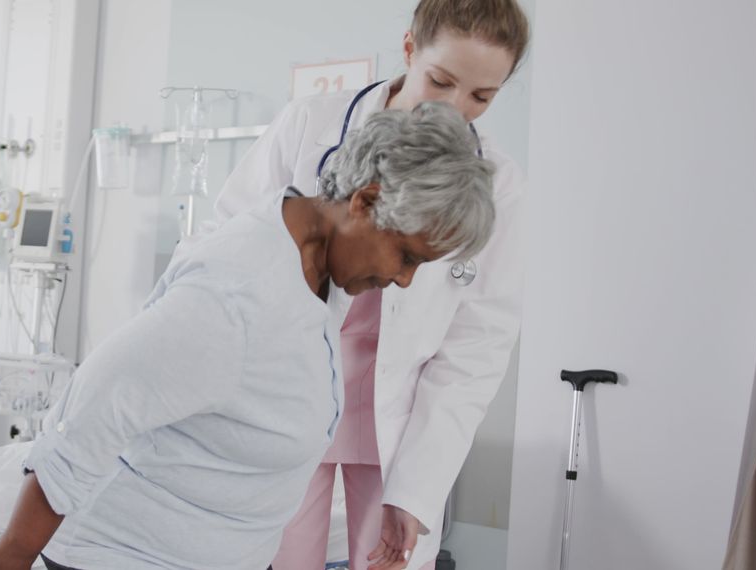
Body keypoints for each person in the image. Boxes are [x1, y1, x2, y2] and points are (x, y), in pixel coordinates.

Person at [0, 104, 495, 570]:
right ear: (365, 201)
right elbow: (99, 398)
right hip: (132, 552)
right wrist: (11, 554)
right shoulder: (237, 296)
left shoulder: (314, 268)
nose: (404, 280)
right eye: (407, 257)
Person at [212, 1, 530, 569]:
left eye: (482, 97)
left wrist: (418, 489)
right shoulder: (312, 125)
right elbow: (229, 245)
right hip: (287, 393)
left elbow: (476, 348)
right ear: (409, 50)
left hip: (397, 423)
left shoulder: (498, 186)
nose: (458, 112)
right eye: (441, 82)